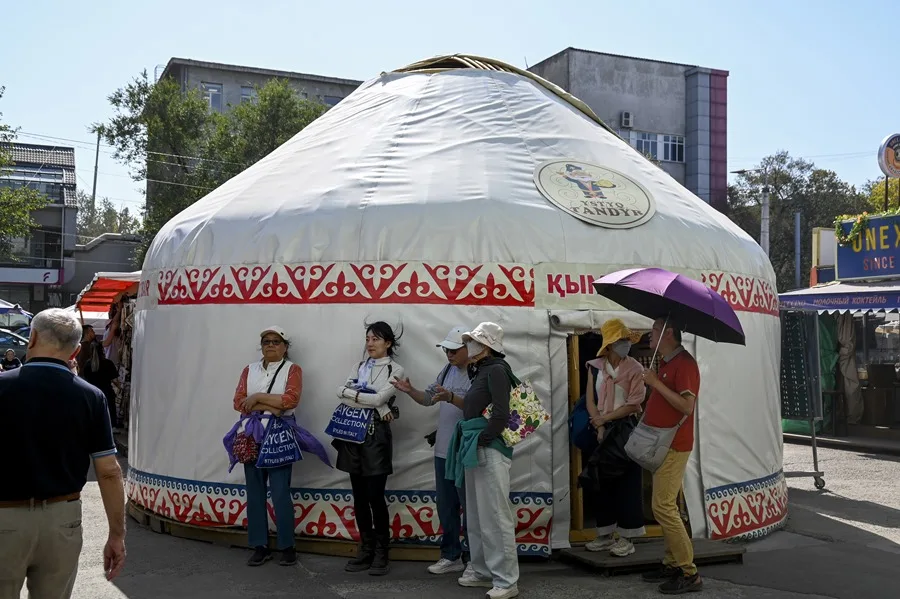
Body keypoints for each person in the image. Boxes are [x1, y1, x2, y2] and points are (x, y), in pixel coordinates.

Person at [0, 308, 126, 598]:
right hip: (62, 519)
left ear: (31, 338)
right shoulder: (90, 397)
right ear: (76, 350)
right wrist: (117, 535)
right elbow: (108, 471)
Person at [444, 322, 519, 599]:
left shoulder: (497, 370)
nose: (469, 345)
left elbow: (501, 412)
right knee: (476, 513)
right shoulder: (483, 371)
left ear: (486, 346)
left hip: (487, 446)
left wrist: (484, 438)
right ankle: (482, 570)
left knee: (496, 515)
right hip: (475, 445)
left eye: (473, 341)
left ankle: (506, 580)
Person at [392, 326, 472, 576]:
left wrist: (451, 398)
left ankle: (474, 559)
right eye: (446, 349)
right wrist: (411, 391)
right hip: (443, 450)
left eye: (453, 350)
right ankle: (451, 556)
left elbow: (478, 408)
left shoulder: (480, 372)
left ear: (470, 348)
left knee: (470, 507)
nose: (448, 354)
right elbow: (428, 399)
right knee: (446, 505)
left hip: (466, 449)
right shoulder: (447, 370)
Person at [334, 321, 405, 576]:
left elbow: (374, 397)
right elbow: (339, 392)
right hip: (353, 434)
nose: (370, 343)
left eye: (376, 339)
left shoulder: (396, 370)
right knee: (359, 496)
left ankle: (382, 551)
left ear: (388, 343)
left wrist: (362, 397)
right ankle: (364, 548)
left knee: (375, 496)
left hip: (376, 436)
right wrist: (376, 403)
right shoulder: (359, 366)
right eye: (368, 339)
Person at [231, 326, 303, 567]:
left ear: (285, 346)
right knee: (255, 490)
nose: (270, 345)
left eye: (276, 341)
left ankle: (287, 545)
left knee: (281, 490)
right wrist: (270, 405)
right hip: (252, 433)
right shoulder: (248, 370)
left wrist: (257, 398)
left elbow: (291, 400)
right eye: (266, 341)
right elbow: (239, 402)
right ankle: (260, 545)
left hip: (279, 434)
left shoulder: (292, 370)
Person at [640, 318, 702, 594]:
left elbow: (687, 406)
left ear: (669, 334)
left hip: (674, 444)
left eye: (654, 330)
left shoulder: (684, 364)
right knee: (668, 507)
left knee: (663, 507)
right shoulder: (666, 362)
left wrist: (655, 383)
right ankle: (672, 562)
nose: (649, 334)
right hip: (662, 443)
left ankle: (689, 572)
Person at [582, 319, 646, 556]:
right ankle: (605, 533)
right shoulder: (594, 367)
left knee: (627, 480)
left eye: (626, 340)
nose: (625, 344)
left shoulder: (636, 369)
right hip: (600, 425)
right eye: (620, 340)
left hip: (624, 427)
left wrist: (605, 420)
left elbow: (634, 404)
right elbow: (590, 399)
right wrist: (598, 423)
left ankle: (628, 536)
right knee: (601, 479)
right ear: (608, 345)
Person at [78, 325, 120, 429]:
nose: (94, 333)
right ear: (87, 332)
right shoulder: (107, 363)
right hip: (104, 390)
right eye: (92, 331)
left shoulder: (81, 349)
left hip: (89, 385)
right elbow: (107, 342)